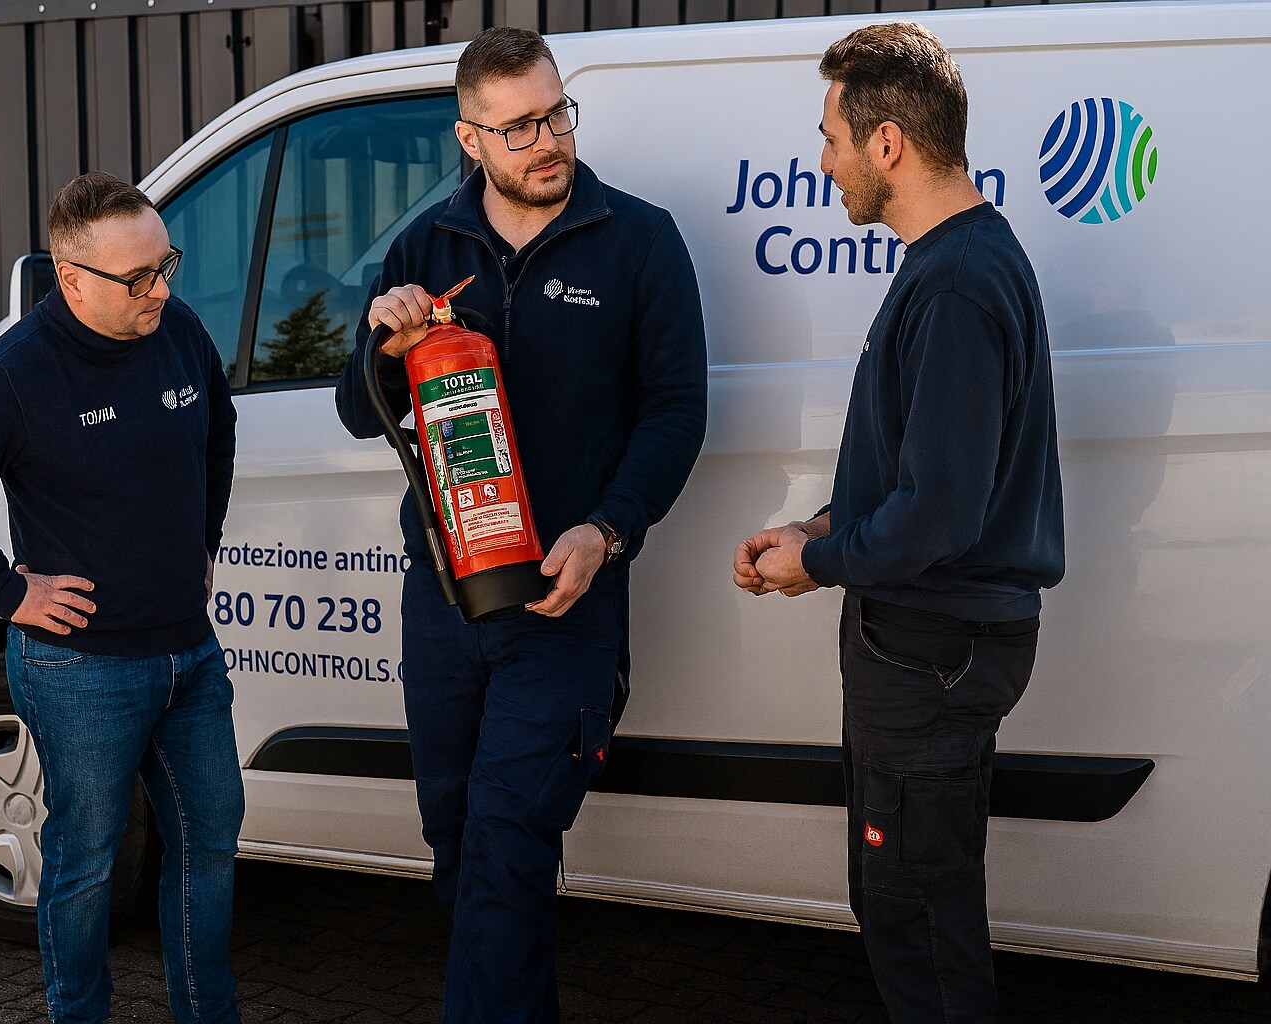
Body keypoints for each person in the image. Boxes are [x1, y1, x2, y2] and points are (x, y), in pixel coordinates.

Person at [334, 26, 707, 1024]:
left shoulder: (638, 241)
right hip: (447, 605)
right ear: (470, 138)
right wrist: (386, 342)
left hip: (565, 602)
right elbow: (353, 405)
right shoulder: (428, 247)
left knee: (509, 841)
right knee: (460, 845)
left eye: (556, 115)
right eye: (520, 127)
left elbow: (676, 411)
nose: (548, 141)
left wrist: (608, 528)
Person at [731, 23, 1064, 1024]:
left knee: (918, 922)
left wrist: (819, 560)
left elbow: (940, 514)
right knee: (909, 905)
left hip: (930, 652)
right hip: (928, 649)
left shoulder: (959, 281)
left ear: (887, 144)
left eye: (830, 136)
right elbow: (920, 469)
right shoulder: (954, 261)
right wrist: (821, 525)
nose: (822, 160)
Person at [0, 171, 241, 1024]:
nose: (161, 288)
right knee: (86, 862)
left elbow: (218, 435)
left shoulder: (180, 329)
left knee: (210, 843)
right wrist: (8, 593)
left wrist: (203, 544)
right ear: (72, 277)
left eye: (166, 264)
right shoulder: (18, 372)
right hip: (80, 668)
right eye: (139, 278)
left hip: (189, 655)